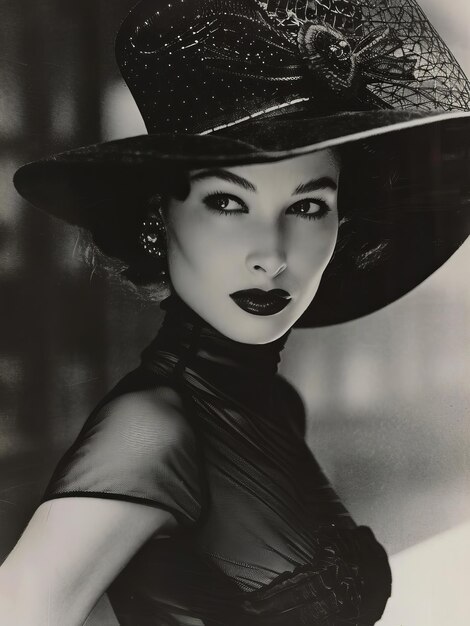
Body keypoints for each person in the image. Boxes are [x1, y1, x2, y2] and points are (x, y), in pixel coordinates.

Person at [1, 0, 470, 624]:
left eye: (308, 207)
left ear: (343, 224)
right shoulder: (152, 432)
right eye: (227, 203)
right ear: (157, 222)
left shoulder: (275, 404)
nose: (271, 255)